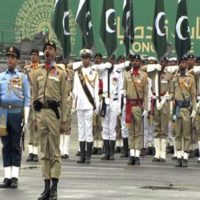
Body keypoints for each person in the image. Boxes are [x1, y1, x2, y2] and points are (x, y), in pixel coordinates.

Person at [32, 41, 68, 200]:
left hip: (54, 115)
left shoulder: (60, 73)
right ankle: (46, 187)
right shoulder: (37, 72)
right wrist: (34, 117)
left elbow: (65, 99)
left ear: (55, 52)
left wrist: (64, 120)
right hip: (41, 114)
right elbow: (34, 97)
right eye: (46, 49)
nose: (48, 51)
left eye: (51, 49)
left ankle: (54, 188)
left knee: (55, 152)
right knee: (43, 152)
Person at [0, 46, 30, 188]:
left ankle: (15, 177)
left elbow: (27, 98)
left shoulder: (22, 77)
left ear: (17, 60)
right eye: (8, 57)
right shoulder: (1, 77)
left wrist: (26, 118)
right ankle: (6, 176)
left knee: (15, 145)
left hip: (17, 114)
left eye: (12, 57)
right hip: (4, 115)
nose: (10, 60)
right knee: (5, 145)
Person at [72, 49, 99, 164]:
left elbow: (96, 90)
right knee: (81, 130)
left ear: (90, 59)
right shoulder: (77, 73)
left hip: (88, 105)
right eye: (83, 58)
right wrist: (74, 105)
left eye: (87, 58)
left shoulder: (94, 72)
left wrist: (96, 105)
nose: (85, 60)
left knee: (88, 130)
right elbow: (75, 90)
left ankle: (88, 156)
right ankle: (82, 155)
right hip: (79, 105)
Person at [170, 56, 196, 167]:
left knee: (186, 135)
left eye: (184, 63)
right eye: (180, 62)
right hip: (177, 110)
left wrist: (194, 109)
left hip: (186, 110)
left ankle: (185, 157)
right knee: (177, 134)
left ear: (186, 65)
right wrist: (168, 98)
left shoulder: (191, 78)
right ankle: (179, 156)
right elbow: (172, 93)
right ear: (178, 64)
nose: (182, 64)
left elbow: (193, 95)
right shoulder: (174, 78)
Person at [123, 54, 148, 165]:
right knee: (130, 131)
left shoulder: (144, 76)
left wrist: (146, 108)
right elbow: (123, 89)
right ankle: (132, 154)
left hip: (138, 106)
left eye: (137, 61)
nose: (135, 62)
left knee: (138, 131)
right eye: (133, 60)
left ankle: (137, 155)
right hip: (129, 105)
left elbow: (146, 93)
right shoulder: (127, 75)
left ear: (140, 63)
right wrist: (123, 95)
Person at [24, 49, 40, 162]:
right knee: (30, 126)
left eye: (35, 55)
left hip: (38, 101)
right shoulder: (26, 69)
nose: (33, 57)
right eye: (32, 55)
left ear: (38, 57)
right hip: (29, 100)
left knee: (37, 126)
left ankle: (36, 152)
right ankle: (31, 152)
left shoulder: (41, 68)